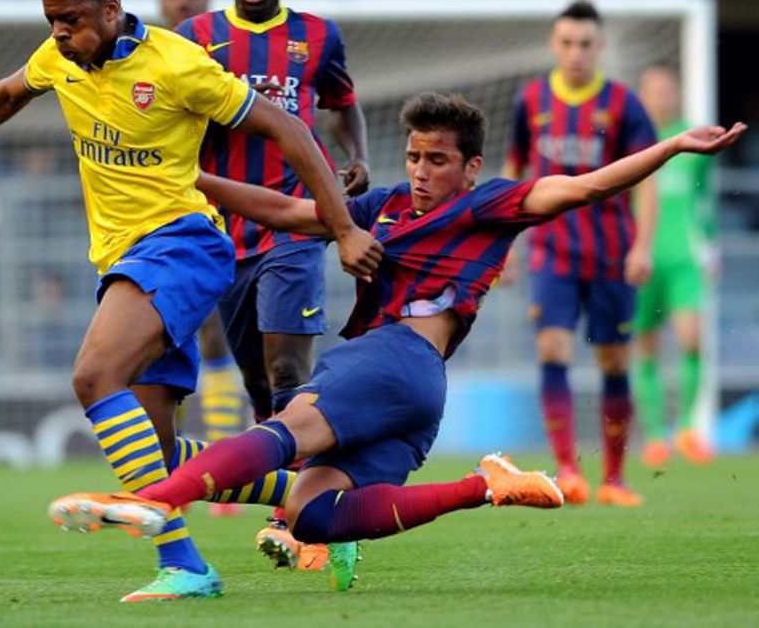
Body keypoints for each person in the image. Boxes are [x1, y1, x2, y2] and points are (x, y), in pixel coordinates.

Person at [47, 93, 744, 593]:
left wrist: (672, 146)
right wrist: (188, 177)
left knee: (285, 430)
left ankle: (159, 499)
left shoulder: (487, 205)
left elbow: (582, 187)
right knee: (313, 516)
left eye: (437, 160)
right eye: (413, 156)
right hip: (416, 388)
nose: (419, 171)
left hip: (392, 358)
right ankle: (485, 486)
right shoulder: (379, 207)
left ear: (470, 167)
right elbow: (287, 210)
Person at [0, 0, 381, 602]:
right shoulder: (59, 58)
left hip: (182, 244)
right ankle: (315, 495)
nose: (60, 33)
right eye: (51, 21)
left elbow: (288, 127)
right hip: (125, 258)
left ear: (111, 10)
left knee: (94, 376)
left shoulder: (177, 63)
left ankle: (185, 563)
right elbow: (6, 95)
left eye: (71, 20)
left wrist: (344, 228)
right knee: (159, 452)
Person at [177, 0, 369, 569]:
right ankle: (310, 489)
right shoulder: (195, 36)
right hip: (224, 228)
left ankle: (297, 517)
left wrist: (357, 155)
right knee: (258, 382)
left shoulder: (318, 35)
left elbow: (343, 103)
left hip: (296, 221)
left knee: (287, 368)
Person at [503, 0, 659, 507]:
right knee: (553, 349)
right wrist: (505, 241)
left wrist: (643, 245)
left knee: (613, 359)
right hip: (552, 249)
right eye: (567, 43)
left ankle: (614, 478)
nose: (576, 53)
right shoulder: (531, 100)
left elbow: (647, 179)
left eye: (585, 44)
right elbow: (514, 168)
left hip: (612, 251)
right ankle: (568, 470)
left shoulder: (623, 104)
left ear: (600, 46)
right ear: (554, 44)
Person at [158, 0, 249, 520]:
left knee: (217, 336)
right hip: (160, 215)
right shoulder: (139, 54)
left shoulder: (217, 55)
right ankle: (171, 469)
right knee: (162, 338)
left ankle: (220, 464)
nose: (181, 1)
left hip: (220, 205)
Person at [633, 66, 717, 466]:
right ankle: (654, 435)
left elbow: (705, 199)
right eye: (655, 91)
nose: (663, 97)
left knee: (692, 339)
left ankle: (685, 428)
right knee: (646, 346)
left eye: (669, 90)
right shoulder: (632, 141)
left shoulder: (693, 140)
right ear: (643, 96)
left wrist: (710, 247)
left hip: (684, 258)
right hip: (643, 259)